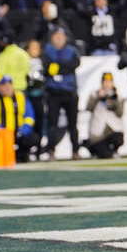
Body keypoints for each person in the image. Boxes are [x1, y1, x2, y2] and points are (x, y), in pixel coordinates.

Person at [0, 75, 38, 163]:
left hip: (18, 133)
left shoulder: (21, 97)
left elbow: (30, 117)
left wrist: (23, 131)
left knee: (32, 138)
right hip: (0, 134)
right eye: (4, 85)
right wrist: (2, 132)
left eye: (9, 85)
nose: (7, 88)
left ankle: (21, 155)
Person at [43, 27, 81, 160]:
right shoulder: (47, 50)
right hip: (53, 92)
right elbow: (46, 68)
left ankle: (75, 151)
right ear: (52, 37)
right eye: (56, 36)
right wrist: (61, 68)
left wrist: (58, 67)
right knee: (52, 123)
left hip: (69, 92)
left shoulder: (72, 51)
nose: (59, 39)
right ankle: (51, 151)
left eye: (61, 36)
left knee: (73, 124)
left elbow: (74, 64)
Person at [84, 72, 125, 159]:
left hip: (113, 129)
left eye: (110, 81)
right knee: (106, 155)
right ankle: (91, 147)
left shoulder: (117, 96)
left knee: (118, 139)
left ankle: (113, 151)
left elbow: (120, 113)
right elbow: (88, 108)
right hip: (98, 133)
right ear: (102, 83)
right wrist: (98, 97)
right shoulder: (94, 94)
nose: (107, 84)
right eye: (105, 81)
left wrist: (112, 100)